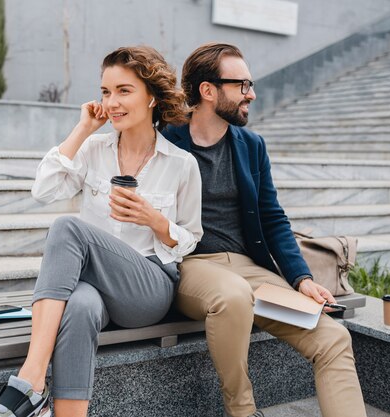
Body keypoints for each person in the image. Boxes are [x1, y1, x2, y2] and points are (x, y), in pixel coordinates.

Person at [0, 46, 202, 417]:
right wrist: (83, 128)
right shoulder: (94, 148)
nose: (111, 102)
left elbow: (191, 238)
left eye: (124, 91)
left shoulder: (181, 164)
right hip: (93, 286)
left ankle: (31, 379)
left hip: (147, 288)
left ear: (151, 97)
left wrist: (157, 222)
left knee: (68, 227)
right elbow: (44, 190)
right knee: (79, 305)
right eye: (105, 92)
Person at [162, 43, 367, 417]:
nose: (251, 94)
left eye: (250, 84)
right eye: (242, 85)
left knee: (334, 338)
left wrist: (301, 278)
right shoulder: (165, 139)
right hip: (190, 267)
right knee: (234, 294)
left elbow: (273, 218)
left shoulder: (252, 145)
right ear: (208, 91)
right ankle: (242, 411)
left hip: (249, 269)